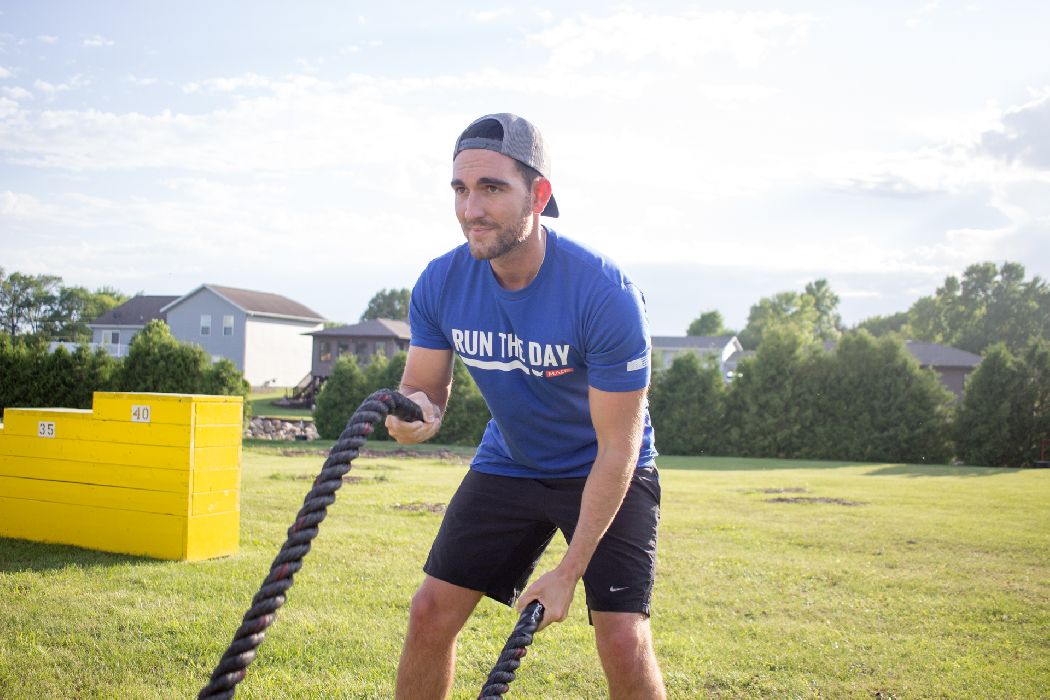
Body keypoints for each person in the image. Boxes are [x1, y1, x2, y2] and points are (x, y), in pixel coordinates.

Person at [386, 112, 665, 699]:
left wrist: (569, 571)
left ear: (538, 195)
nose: (471, 208)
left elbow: (618, 448)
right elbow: (424, 387)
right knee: (430, 611)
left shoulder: (605, 294)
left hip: (604, 465)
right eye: (460, 189)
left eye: (492, 188)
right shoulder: (440, 282)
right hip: (511, 461)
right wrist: (414, 414)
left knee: (621, 637)